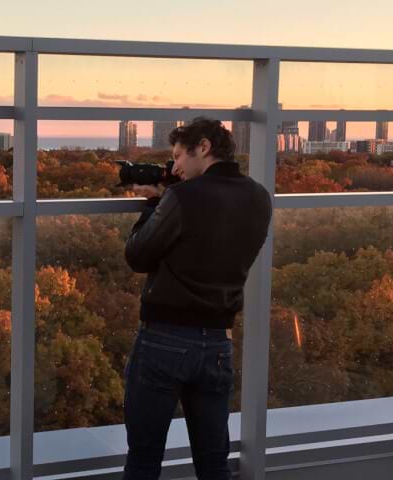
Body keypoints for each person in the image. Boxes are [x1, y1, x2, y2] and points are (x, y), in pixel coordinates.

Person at [122, 117, 272, 479]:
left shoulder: (182, 197)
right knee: (214, 463)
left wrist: (154, 205)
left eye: (178, 156)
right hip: (218, 345)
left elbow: (138, 256)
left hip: (164, 340)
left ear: (203, 147)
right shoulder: (259, 197)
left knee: (144, 459)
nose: (174, 167)